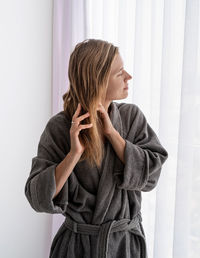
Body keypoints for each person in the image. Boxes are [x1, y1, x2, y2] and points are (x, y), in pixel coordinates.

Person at [24, 39, 168, 258]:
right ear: (97, 80)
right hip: (76, 248)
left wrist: (113, 134)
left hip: (124, 247)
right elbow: (37, 197)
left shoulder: (131, 118)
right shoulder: (60, 128)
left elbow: (152, 176)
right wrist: (74, 154)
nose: (128, 77)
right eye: (119, 73)